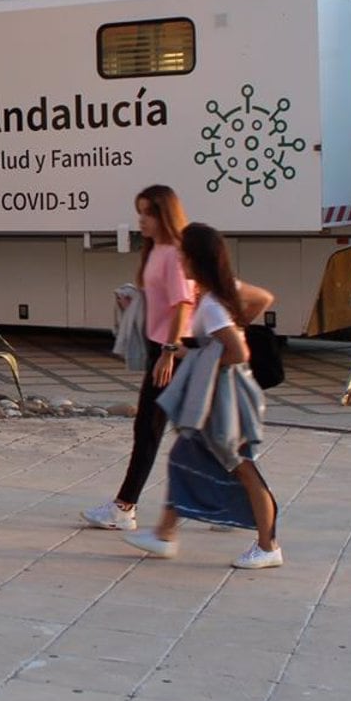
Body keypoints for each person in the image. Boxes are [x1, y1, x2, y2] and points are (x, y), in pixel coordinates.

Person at [122, 222, 282, 569]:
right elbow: (258, 302)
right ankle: (164, 534)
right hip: (220, 394)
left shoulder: (211, 304)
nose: (179, 261)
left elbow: (238, 352)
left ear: (196, 259)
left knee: (241, 466)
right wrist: (188, 352)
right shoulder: (222, 293)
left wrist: (205, 358)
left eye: (183, 255)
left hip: (224, 398)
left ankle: (268, 546)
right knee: (185, 457)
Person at [82, 185, 192, 532]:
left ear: (164, 216)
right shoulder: (155, 250)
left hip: (171, 353)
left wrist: (169, 353)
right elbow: (161, 301)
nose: (141, 220)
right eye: (139, 212)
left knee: (149, 428)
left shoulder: (174, 253)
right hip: (159, 349)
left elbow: (183, 304)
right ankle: (243, 498)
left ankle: (124, 507)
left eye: (147, 213)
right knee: (196, 431)